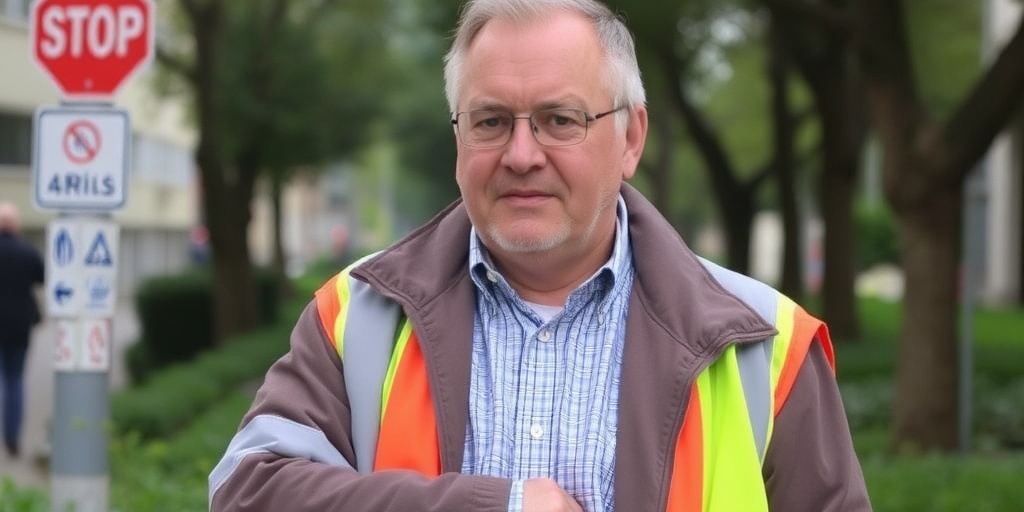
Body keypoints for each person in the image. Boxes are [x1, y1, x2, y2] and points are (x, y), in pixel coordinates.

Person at [210, 0, 872, 510]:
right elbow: (246, 491)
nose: (522, 155)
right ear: (459, 137)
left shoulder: (766, 345)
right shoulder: (357, 315)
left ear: (631, 138)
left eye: (560, 119)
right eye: (491, 121)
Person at [0, 202, 44, 458]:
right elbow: (43, 278)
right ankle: (12, 438)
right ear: (16, 226)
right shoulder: (28, 252)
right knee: (14, 380)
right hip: (19, 326)